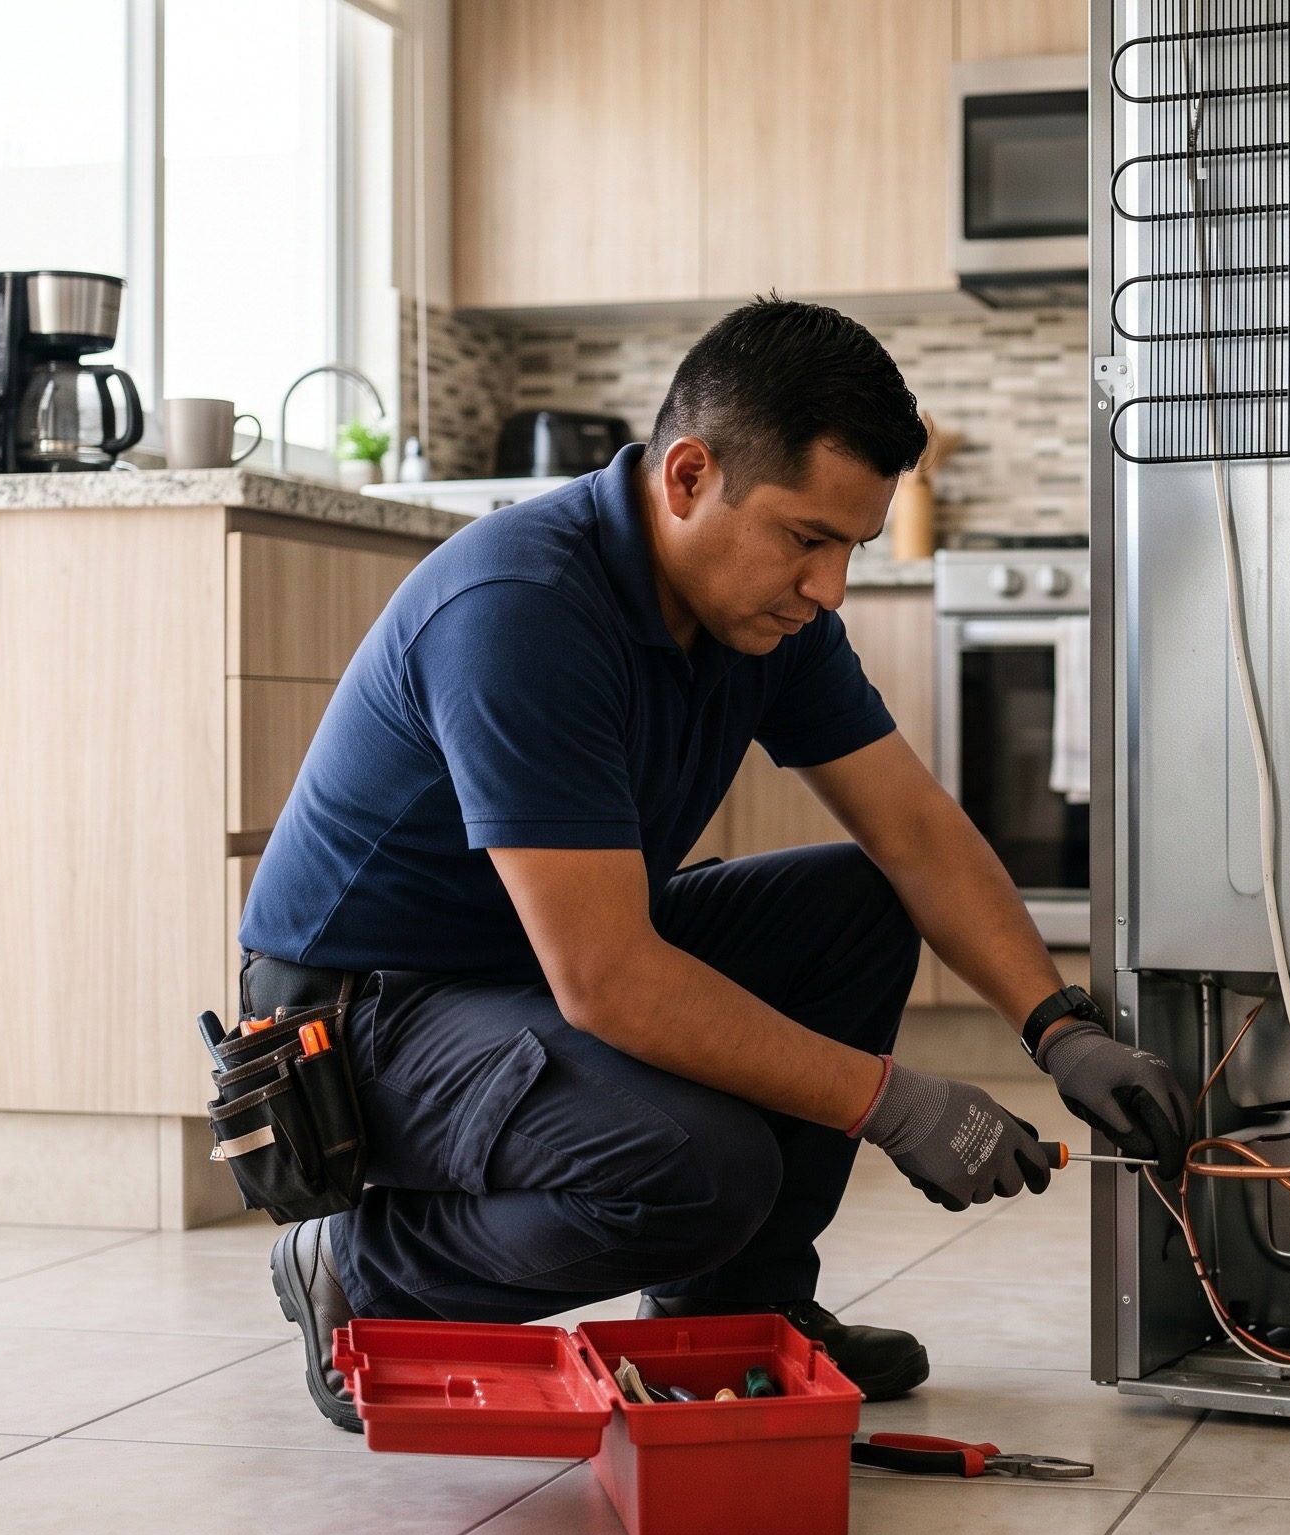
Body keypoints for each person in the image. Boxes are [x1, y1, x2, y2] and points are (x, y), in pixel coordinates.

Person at [236, 298, 1189, 1429]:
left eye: (849, 547)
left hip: (536, 964)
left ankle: (740, 1311)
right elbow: (608, 980)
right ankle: (363, 1267)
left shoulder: (763, 617)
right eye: (805, 538)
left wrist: (1058, 1026)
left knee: (859, 901)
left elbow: (916, 832)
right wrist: (891, 1104)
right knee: (700, 1169)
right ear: (687, 477)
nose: (829, 587)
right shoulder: (523, 609)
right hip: (364, 1018)